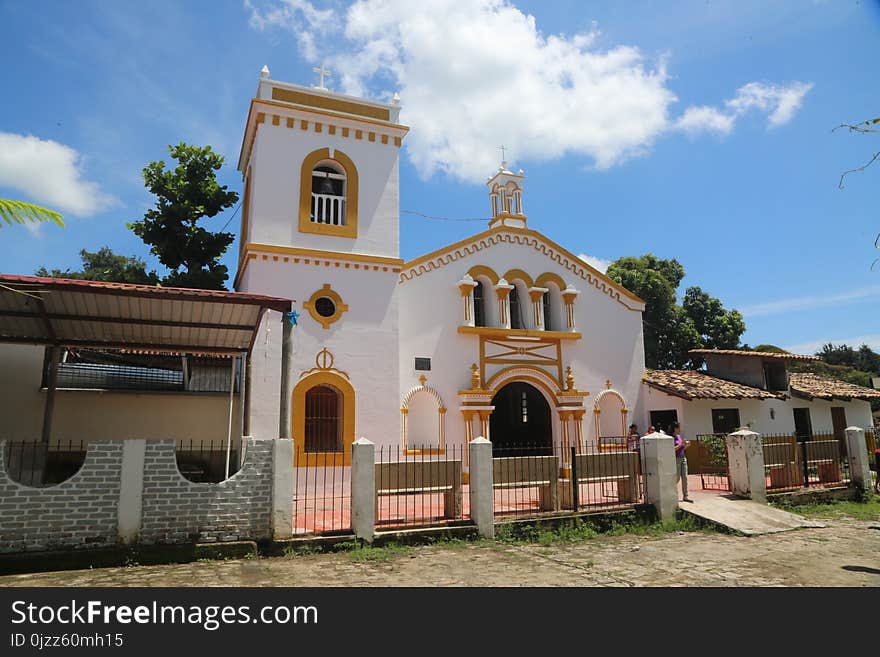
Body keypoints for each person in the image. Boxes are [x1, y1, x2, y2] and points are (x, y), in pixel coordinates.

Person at [673, 422, 692, 502]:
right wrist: (681, 444)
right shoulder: (671, 438)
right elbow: (673, 449)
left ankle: (685, 496)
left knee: (685, 477)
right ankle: (674, 495)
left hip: (683, 457)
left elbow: (682, 448)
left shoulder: (679, 436)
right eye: (678, 428)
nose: (680, 429)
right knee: (676, 478)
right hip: (676, 459)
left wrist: (686, 445)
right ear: (675, 428)